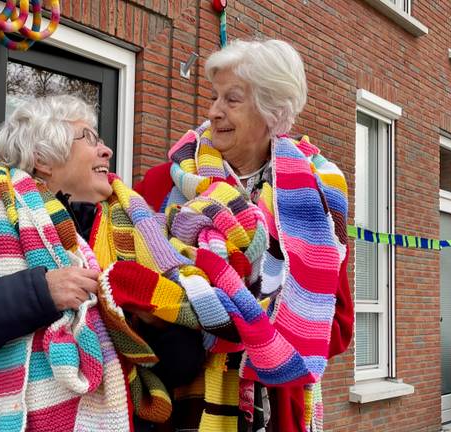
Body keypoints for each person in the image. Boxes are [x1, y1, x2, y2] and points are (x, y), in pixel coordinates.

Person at [0, 95, 205, 432]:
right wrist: (39, 293)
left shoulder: (133, 244)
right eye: (89, 137)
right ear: (43, 159)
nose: (106, 151)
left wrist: (157, 324)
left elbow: (182, 368)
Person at [133, 38, 353, 432]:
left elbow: (337, 326)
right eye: (215, 97)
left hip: (276, 408)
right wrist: (197, 319)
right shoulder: (163, 186)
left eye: (231, 100)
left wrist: (262, 332)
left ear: (272, 112)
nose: (213, 112)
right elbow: (134, 303)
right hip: (186, 403)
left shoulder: (318, 196)